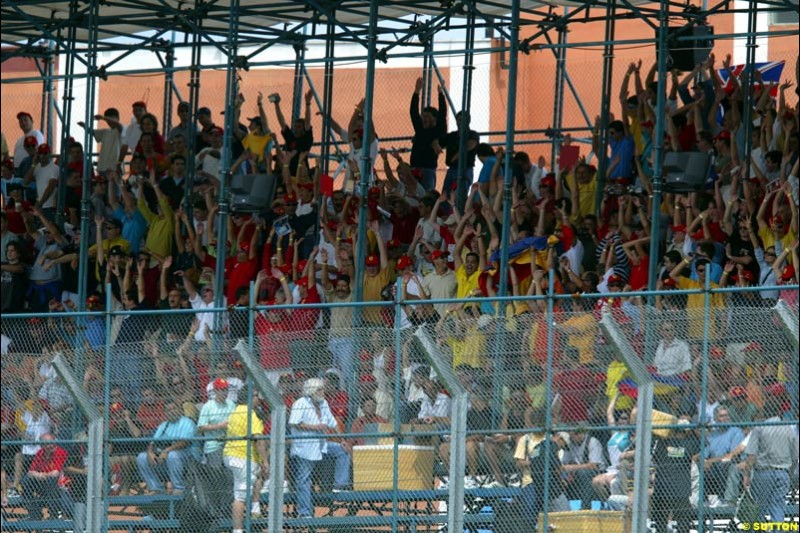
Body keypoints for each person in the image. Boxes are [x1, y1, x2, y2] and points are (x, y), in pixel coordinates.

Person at [288, 378, 351, 518]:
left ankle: (340, 486)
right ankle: (304, 512)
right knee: (304, 479)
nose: (323, 392)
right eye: (319, 389)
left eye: (322, 389)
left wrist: (342, 440)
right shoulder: (300, 403)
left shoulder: (324, 403)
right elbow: (294, 423)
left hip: (321, 443)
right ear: (311, 391)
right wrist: (314, 427)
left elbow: (333, 422)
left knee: (342, 451)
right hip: (305, 446)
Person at [742, 395, 799, 523]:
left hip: (763, 472)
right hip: (782, 472)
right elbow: (795, 456)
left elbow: (751, 456)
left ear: (765, 412)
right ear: (779, 411)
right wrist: (789, 473)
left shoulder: (759, 428)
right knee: (778, 507)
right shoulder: (788, 429)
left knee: (759, 507)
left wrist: (746, 475)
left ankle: (759, 530)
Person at [224, 389, 269, 533]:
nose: (258, 399)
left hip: (233, 455)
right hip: (241, 456)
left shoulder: (236, 411)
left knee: (256, 479)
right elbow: (258, 439)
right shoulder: (249, 413)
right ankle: (237, 530)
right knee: (240, 497)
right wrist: (265, 461)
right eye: (256, 395)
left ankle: (255, 509)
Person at [136, 400, 200, 494]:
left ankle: (178, 488)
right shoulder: (164, 425)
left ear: (180, 410)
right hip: (166, 459)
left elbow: (185, 442)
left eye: (174, 408)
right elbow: (153, 443)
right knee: (141, 457)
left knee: (173, 455)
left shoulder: (187, 422)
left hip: (189, 459)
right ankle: (156, 488)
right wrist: (150, 452)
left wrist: (167, 451)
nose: (172, 411)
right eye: (168, 410)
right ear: (165, 413)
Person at [651, 414, 700, 533]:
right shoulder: (689, 444)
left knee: (660, 520)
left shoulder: (662, 443)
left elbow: (655, 457)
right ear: (686, 432)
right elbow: (703, 443)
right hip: (681, 489)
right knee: (683, 521)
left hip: (662, 488)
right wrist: (693, 429)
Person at [20, 433, 67, 522]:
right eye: (47, 444)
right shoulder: (40, 453)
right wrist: (39, 475)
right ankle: (34, 513)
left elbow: (56, 473)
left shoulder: (60, 452)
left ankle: (54, 515)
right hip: (41, 482)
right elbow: (30, 472)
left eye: (52, 443)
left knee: (51, 480)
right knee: (25, 480)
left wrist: (42, 475)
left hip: (57, 485)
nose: (51, 446)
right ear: (42, 445)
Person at [197, 378, 236, 468]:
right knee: (217, 472)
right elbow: (200, 428)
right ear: (215, 391)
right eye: (221, 390)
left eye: (226, 390)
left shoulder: (231, 404)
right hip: (214, 445)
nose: (224, 392)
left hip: (230, 443)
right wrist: (220, 426)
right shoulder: (208, 406)